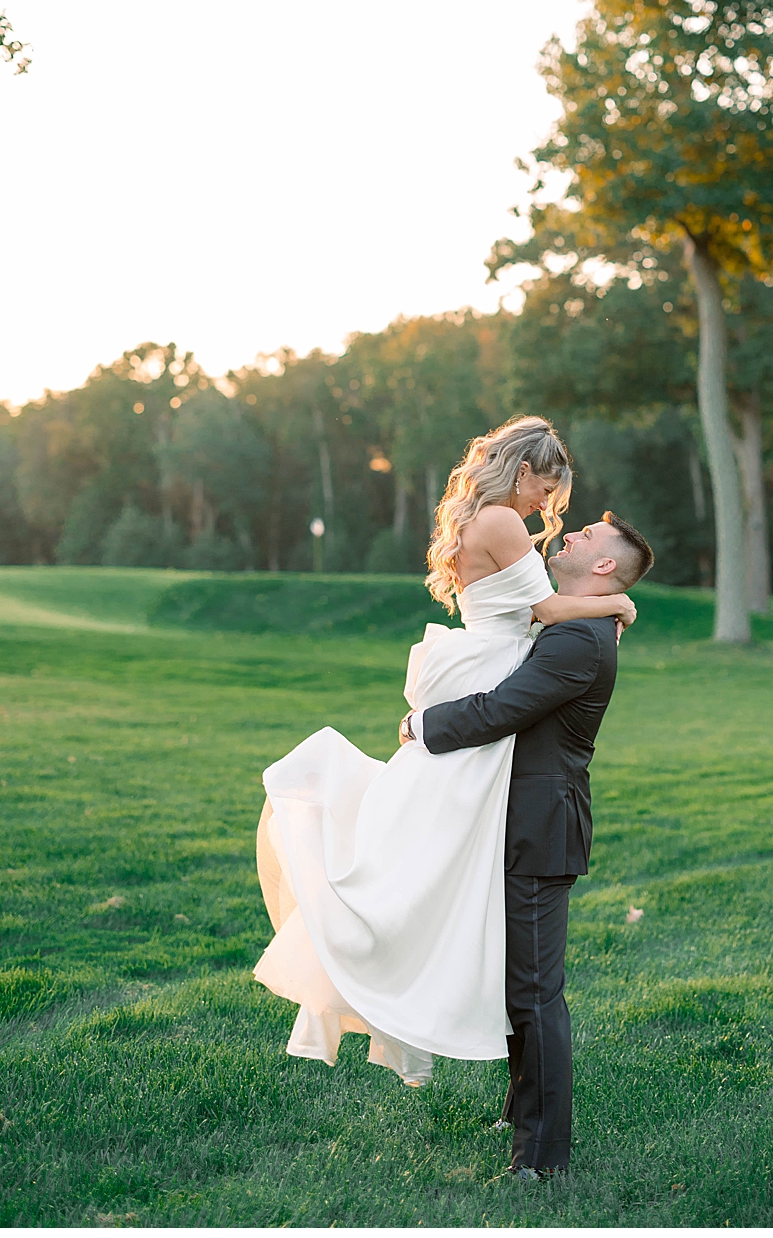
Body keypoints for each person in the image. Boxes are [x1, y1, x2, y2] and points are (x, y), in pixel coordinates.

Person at [252, 416, 637, 1091]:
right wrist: (618, 606)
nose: (545, 508)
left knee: (446, 839)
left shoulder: (483, 518)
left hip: (482, 661)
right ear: (523, 472)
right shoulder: (503, 521)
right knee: (448, 835)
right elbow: (546, 611)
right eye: (545, 490)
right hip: (490, 669)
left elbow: (540, 611)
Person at [400, 508, 654, 1179]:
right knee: (517, 983)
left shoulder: (581, 641)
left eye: (587, 537)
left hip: (540, 830)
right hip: (520, 822)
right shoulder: (578, 624)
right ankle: (520, 1112)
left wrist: (421, 725)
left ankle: (539, 1160)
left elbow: (504, 709)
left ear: (604, 565)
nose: (570, 533)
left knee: (535, 993)